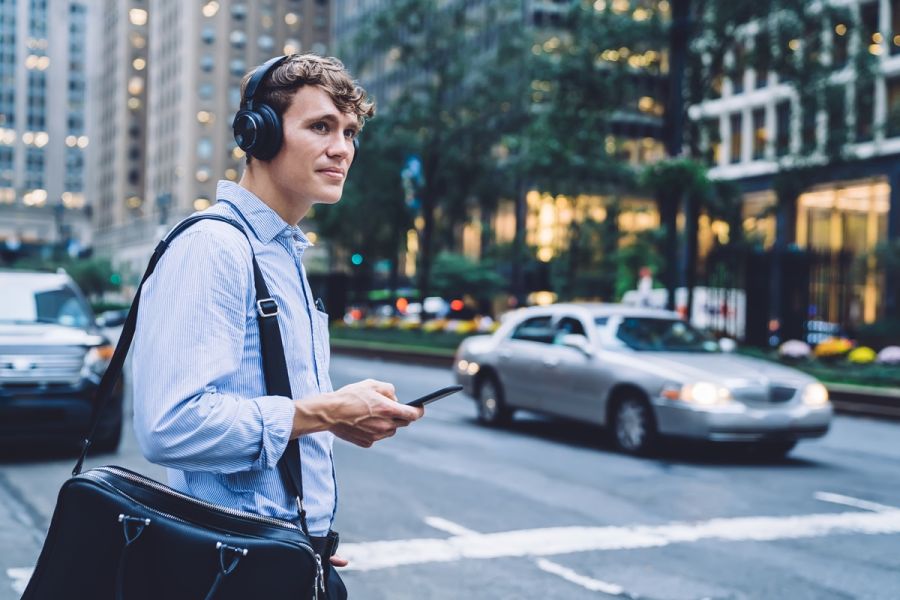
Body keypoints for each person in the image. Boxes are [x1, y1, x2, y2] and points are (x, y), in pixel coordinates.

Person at [131, 54, 423, 598]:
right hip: (228, 570)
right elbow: (171, 425)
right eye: (321, 127)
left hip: (283, 553)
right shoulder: (213, 247)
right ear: (258, 134)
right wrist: (327, 410)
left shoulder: (282, 254)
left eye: (350, 132)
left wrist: (303, 531)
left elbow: (262, 404)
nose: (342, 148)